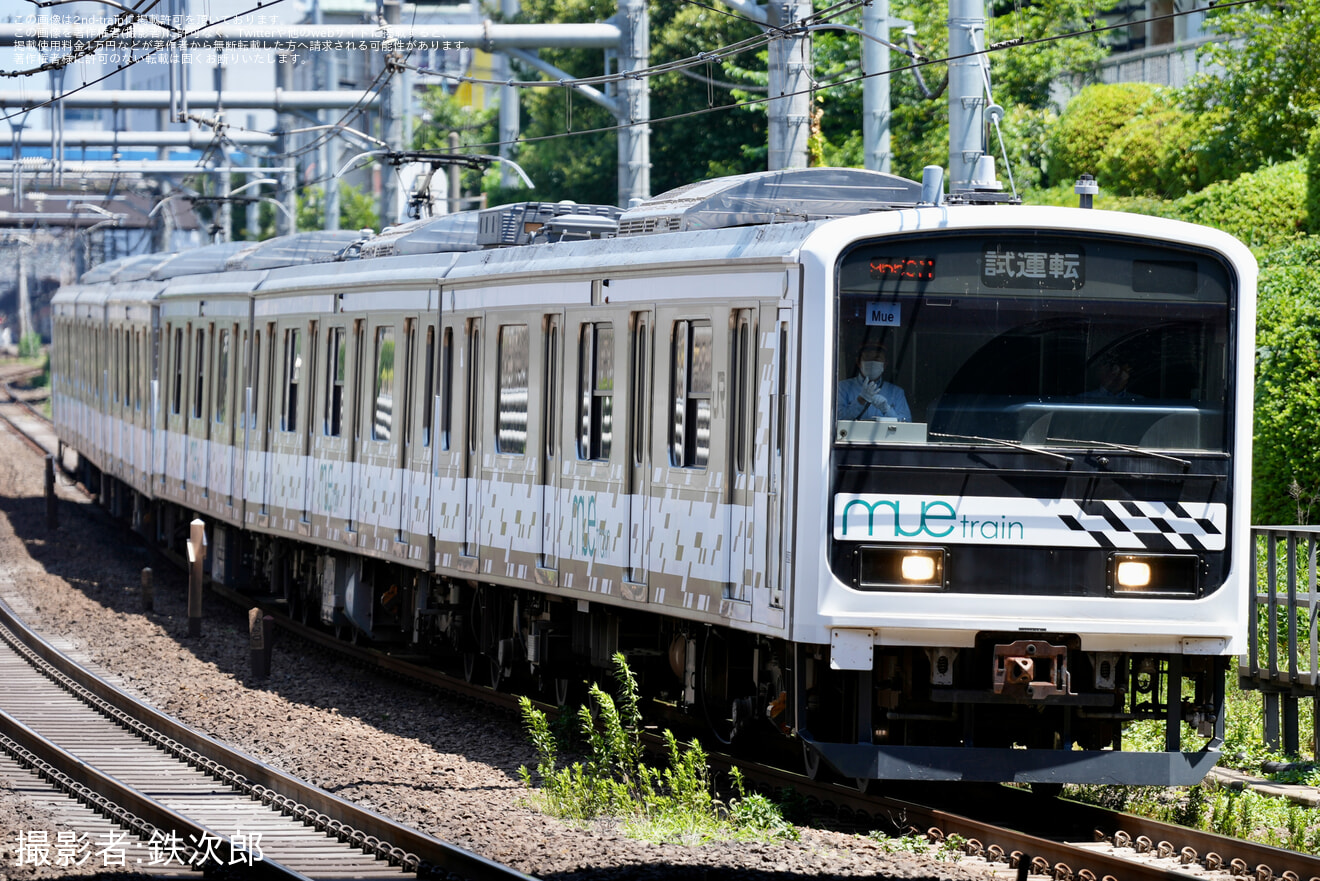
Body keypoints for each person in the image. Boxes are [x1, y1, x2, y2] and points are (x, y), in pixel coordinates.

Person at [837, 342, 911, 421]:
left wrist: (887, 410)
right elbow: (835, 420)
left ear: (885, 364)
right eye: (867, 358)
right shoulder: (842, 388)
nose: (872, 362)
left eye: (877, 358)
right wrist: (860, 401)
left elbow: (906, 423)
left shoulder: (896, 392)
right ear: (858, 363)